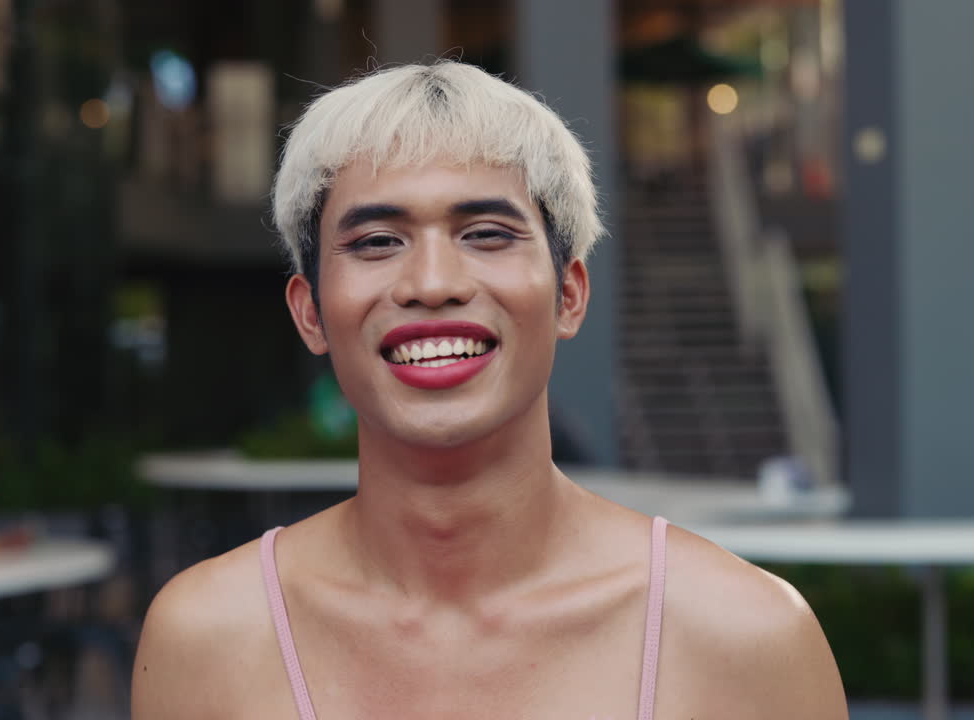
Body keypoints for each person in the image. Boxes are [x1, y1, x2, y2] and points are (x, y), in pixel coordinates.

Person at [133, 61, 847, 719]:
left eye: (485, 233)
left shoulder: (745, 636)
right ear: (310, 310)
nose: (434, 284)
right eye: (377, 241)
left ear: (569, 295)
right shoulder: (209, 639)